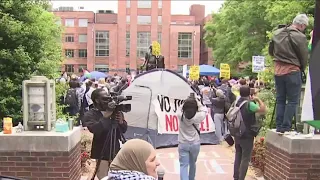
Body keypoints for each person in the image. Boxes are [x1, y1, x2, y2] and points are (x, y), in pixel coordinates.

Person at [269, 14, 309, 133]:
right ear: (302, 25)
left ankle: (279, 125)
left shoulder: (277, 33)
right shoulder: (300, 37)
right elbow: (303, 56)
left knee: (280, 99)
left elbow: (271, 51)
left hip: (278, 71)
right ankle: (286, 127)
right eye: (305, 27)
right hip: (292, 71)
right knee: (292, 100)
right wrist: (302, 67)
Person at [82, 89, 128, 180]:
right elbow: (95, 129)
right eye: (104, 99)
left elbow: (123, 130)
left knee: (117, 176)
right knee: (103, 177)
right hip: (101, 152)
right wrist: (106, 116)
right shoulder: (90, 114)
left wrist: (121, 122)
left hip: (115, 150)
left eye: (108, 98)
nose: (108, 101)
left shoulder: (115, 112)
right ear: (97, 100)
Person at [233, 86, 266, 180]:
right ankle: (241, 178)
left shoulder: (236, 102)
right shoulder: (249, 104)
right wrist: (258, 100)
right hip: (247, 134)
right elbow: (263, 110)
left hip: (237, 133)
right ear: (249, 94)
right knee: (245, 158)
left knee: (238, 155)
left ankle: (236, 177)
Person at [177, 93, 207, 180]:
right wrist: (198, 101)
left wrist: (186, 101)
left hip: (183, 143)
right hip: (195, 143)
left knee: (183, 165)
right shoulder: (198, 116)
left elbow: (179, 108)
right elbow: (204, 110)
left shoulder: (181, 116)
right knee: (193, 163)